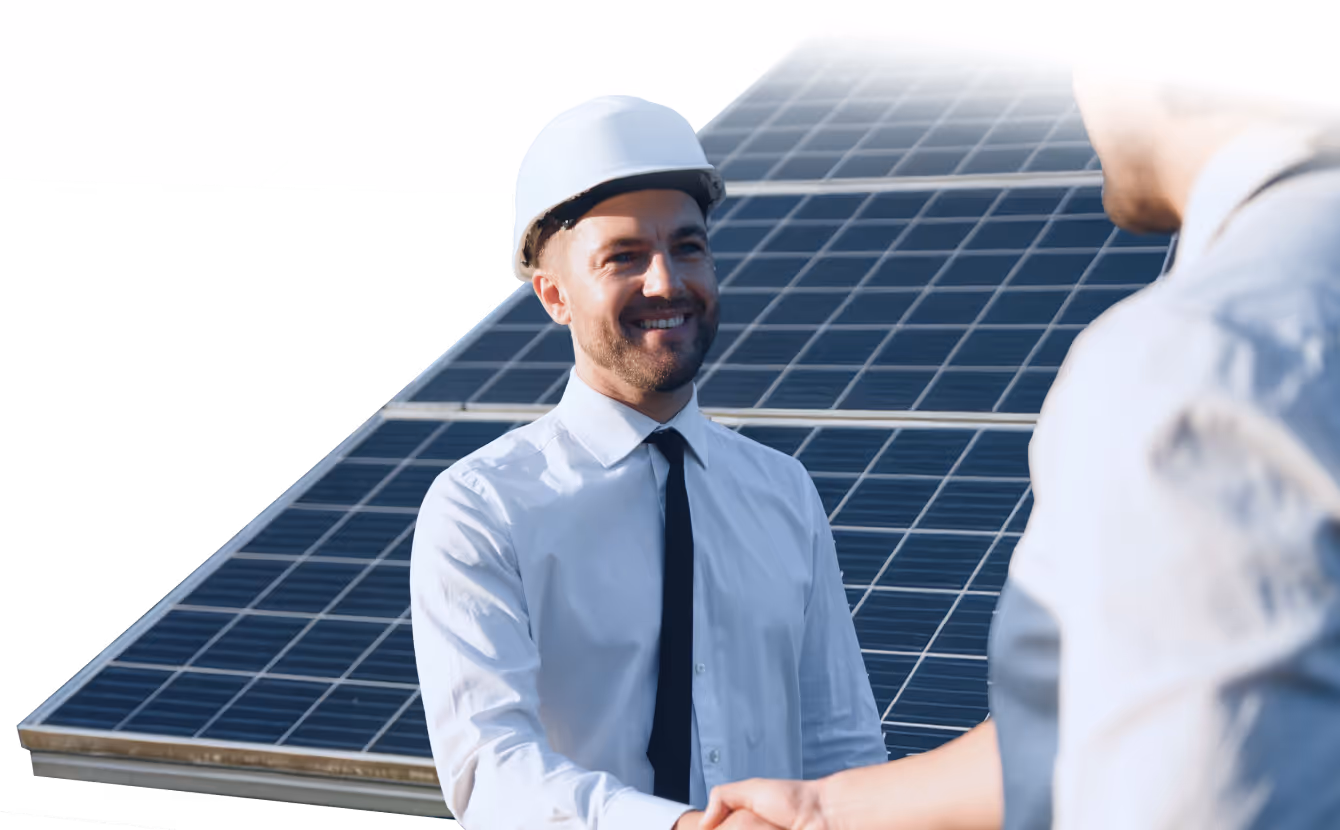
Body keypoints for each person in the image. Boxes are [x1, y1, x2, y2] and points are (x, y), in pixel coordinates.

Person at [699, 59, 1340, 830]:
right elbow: (1163, 694)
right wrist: (827, 807)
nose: (1076, 94)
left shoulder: (1194, 359)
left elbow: (1207, 788)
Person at [408, 95, 889, 830]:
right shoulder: (482, 509)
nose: (667, 283)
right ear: (554, 295)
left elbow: (840, 744)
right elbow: (490, 766)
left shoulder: (783, 492)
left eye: (688, 247)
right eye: (623, 257)